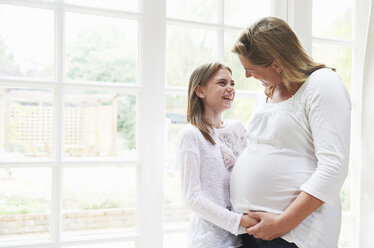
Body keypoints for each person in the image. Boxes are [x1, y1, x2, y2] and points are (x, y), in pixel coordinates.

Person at [229, 17, 351, 248]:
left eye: (250, 69)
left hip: (295, 234)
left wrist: (284, 222)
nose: (246, 76)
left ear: (277, 64)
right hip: (253, 230)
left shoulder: (322, 84)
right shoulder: (266, 92)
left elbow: (334, 166)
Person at [177, 61, 259, 248]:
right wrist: (238, 222)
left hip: (244, 238)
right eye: (222, 83)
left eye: (232, 83)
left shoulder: (237, 128)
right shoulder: (191, 135)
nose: (230, 88)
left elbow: (252, 173)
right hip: (210, 240)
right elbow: (192, 197)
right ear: (200, 91)